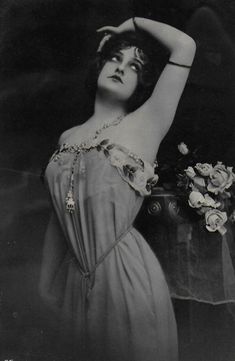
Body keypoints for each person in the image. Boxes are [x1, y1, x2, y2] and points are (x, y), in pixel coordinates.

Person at [39, 17, 196, 361]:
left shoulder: (146, 123)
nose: (122, 68)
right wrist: (45, 281)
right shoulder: (67, 136)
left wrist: (134, 24)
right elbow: (59, 212)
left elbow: (185, 46)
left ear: (142, 84)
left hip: (123, 273)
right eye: (115, 59)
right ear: (100, 64)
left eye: (134, 66)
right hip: (72, 274)